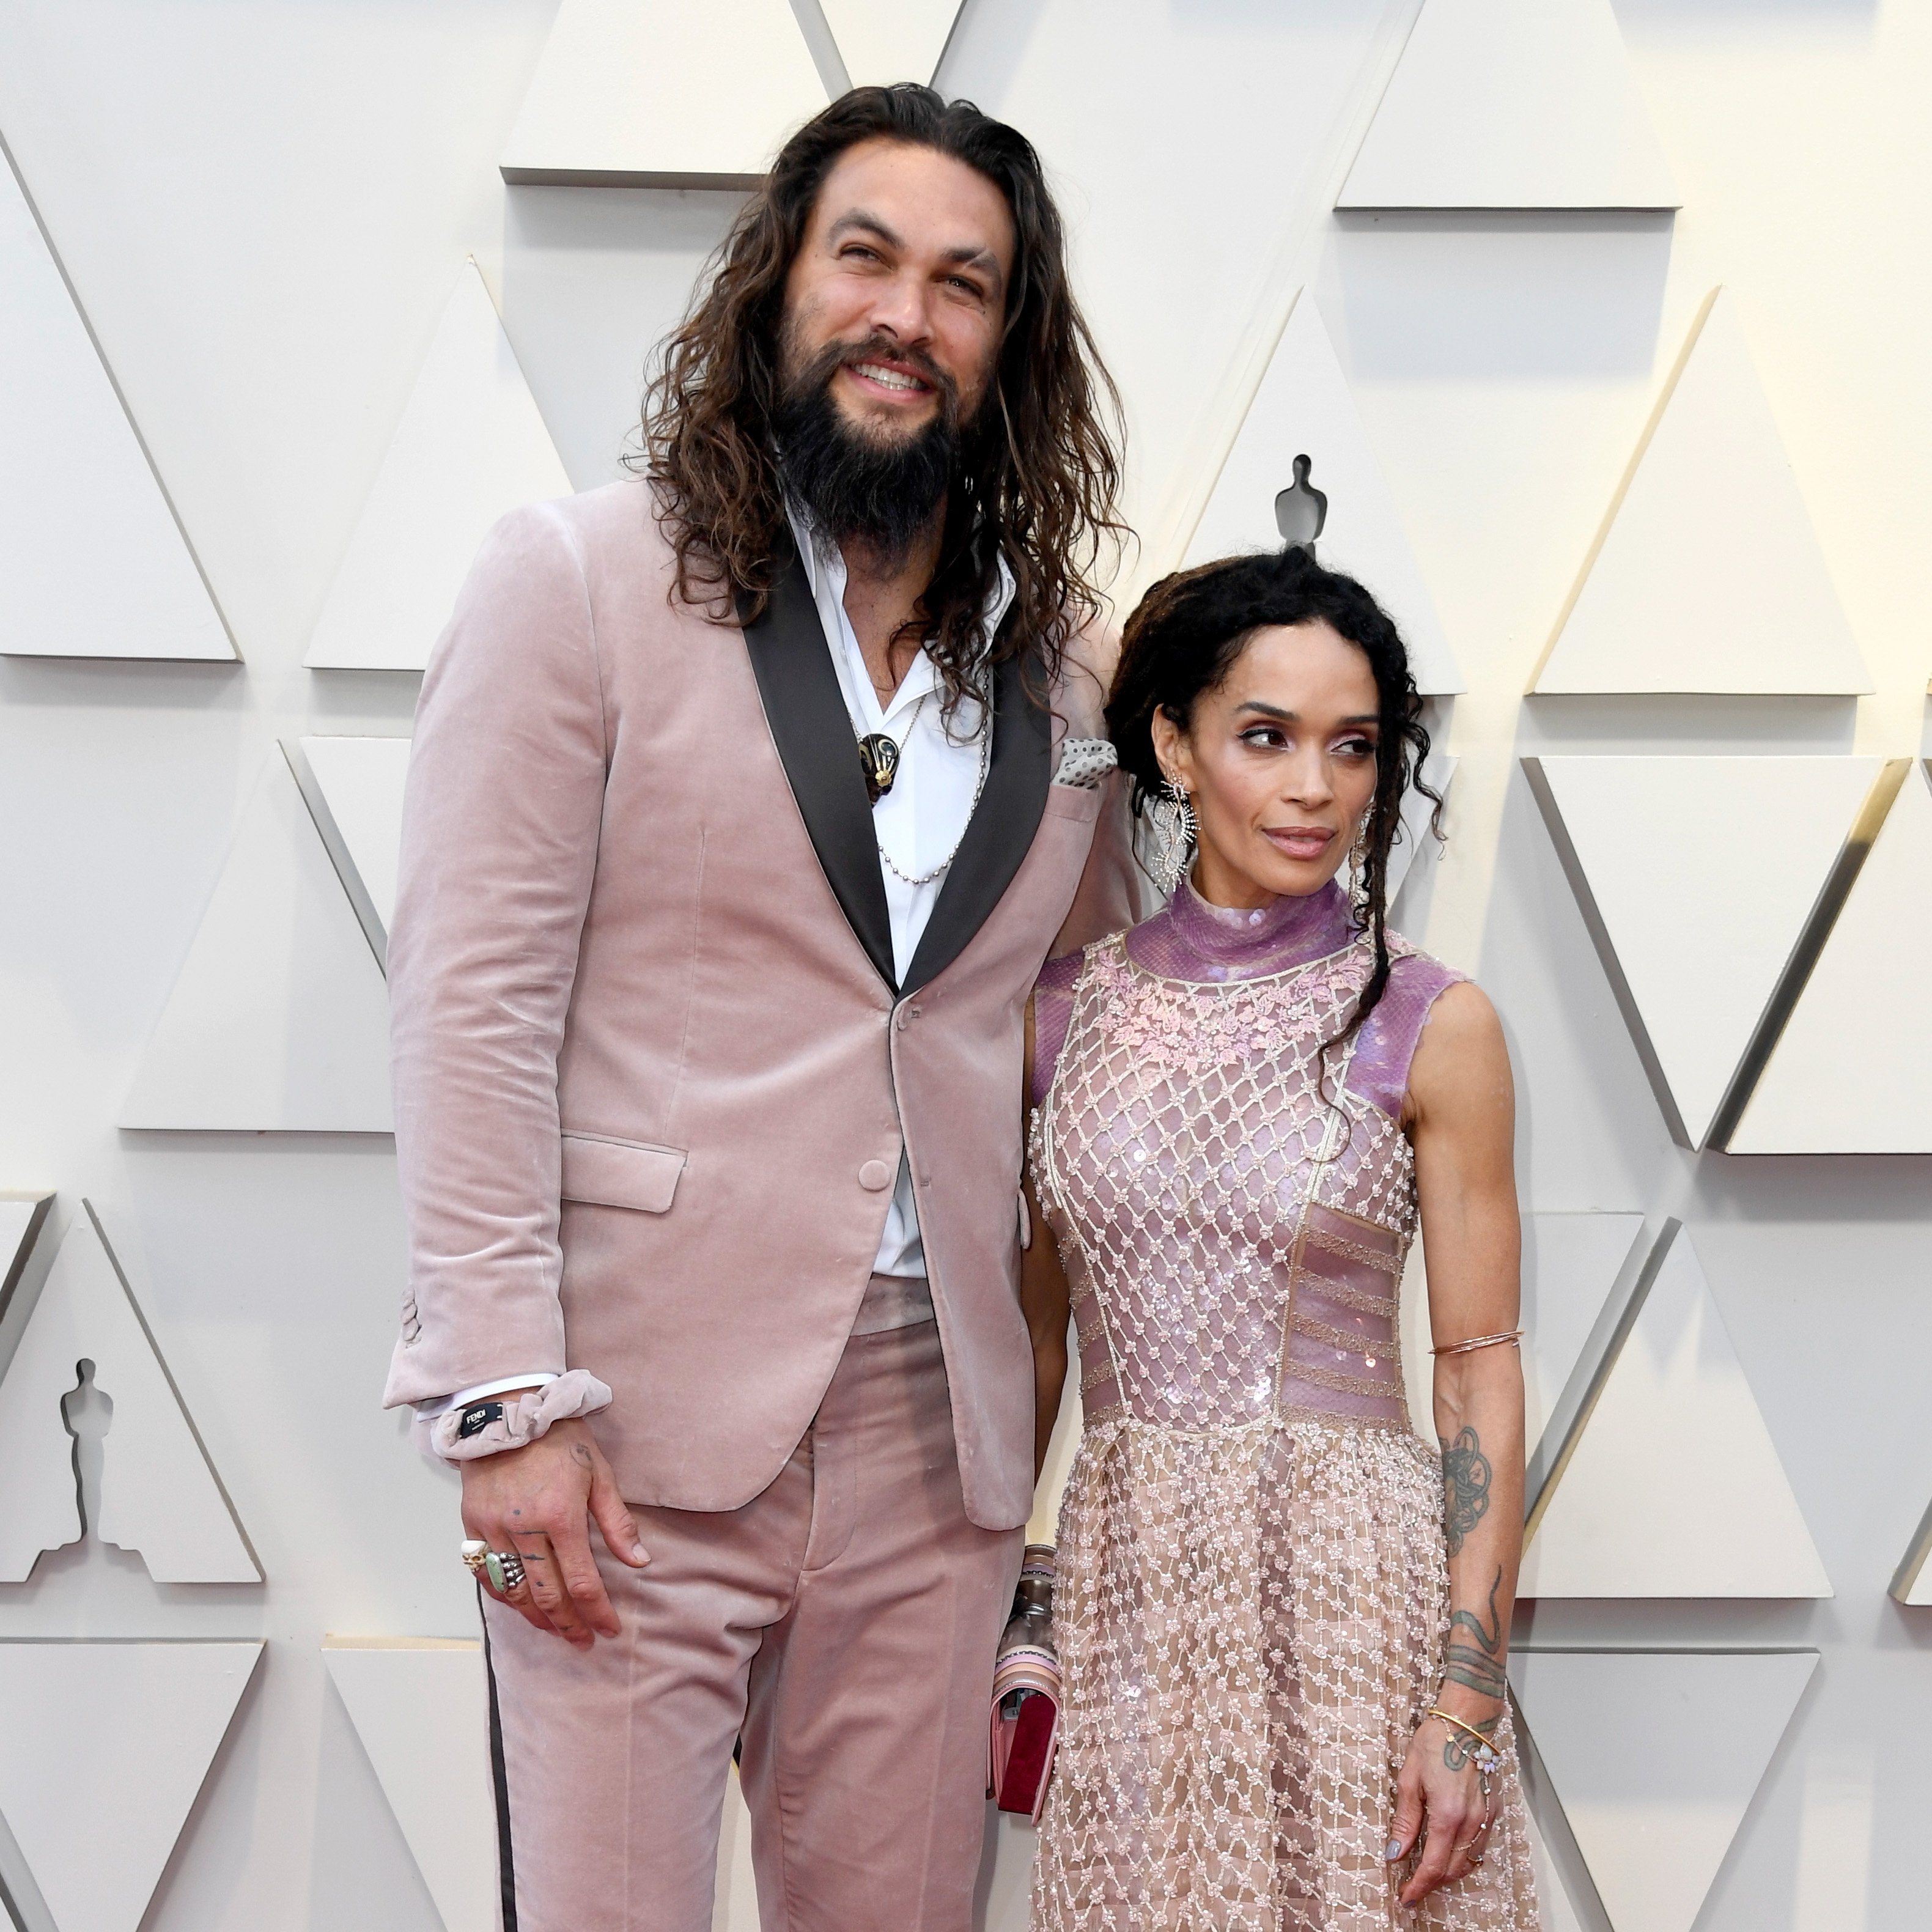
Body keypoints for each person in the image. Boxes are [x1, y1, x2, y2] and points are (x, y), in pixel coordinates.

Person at [380, 84, 1140, 1932]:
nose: (908, 313)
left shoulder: (1071, 671)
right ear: (778, 285)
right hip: (628, 1420)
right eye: (866, 257)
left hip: (935, 1441)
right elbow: (471, 1004)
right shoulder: (582, 578)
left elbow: (1077, 1036)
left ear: (1009, 343)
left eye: (966, 284)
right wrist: (505, 1406)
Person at [1020, 547, 1539, 1926]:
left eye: (1352, 746)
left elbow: (1476, 1370)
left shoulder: (1430, 1021)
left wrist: (1464, 1697)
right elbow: (1030, 1348)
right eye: (1266, 736)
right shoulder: (1055, 1018)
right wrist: (989, 1613)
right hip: (1131, 1589)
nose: (1315, 788)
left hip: (1352, 1594)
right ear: (1172, 747)